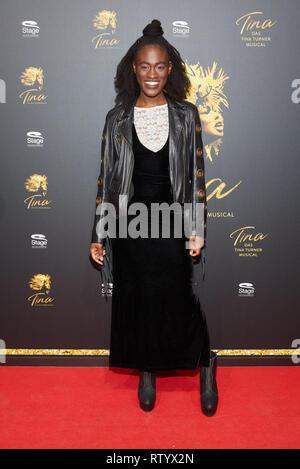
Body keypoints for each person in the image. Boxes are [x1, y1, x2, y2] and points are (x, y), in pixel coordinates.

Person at [90, 19, 218, 416]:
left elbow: (197, 177)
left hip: (172, 220)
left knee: (179, 299)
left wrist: (196, 228)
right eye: (145, 66)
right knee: (136, 299)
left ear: (170, 69)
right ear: (133, 68)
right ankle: (146, 368)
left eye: (160, 66)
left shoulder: (185, 115)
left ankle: (206, 363)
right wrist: (99, 233)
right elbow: (106, 180)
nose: (152, 74)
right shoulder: (116, 119)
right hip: (130, 224)